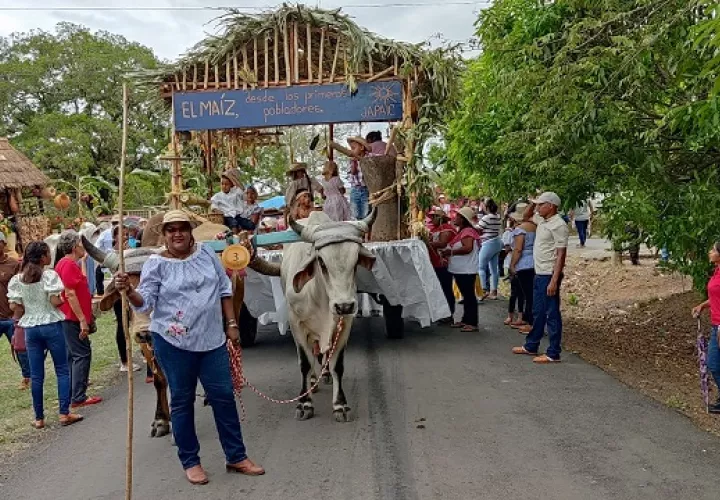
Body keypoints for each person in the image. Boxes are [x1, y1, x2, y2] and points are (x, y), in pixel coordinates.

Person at [115, 210, 264, 485]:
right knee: (182, 401)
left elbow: (223, 289)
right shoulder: (155, 264)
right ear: (164, 234)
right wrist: (128, 290)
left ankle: (236, 456)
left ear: (191, 230)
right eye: (171, 229)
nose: (177, 233)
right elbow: (145, 303)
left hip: (212, 339)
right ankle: (191, 461)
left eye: (183, 228)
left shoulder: (207, 254)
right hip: (173, 342)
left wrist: (231, 323)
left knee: (223, 396)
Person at [8, 241, 84, 429]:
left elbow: (14, 307)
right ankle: (64, 413)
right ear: (42, 257)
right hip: (51, 325)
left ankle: (39, 417)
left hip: (31, 328)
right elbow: (55, 301)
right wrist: (62, 297)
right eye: (48, 254)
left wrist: (29, 306)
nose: (50, 256)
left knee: (36, 374)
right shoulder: (49, 275)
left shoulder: (18, 280)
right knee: (62, 370)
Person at [512, 192, 568, 363]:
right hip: (539, 271)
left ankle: (553, 352)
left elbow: (560, 255)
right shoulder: (542, 220)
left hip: (549, 274)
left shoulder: (558, 225)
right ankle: (532, 344)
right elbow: (525, 216)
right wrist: (533, 200)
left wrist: (554, 280)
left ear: (550, 206)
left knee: (551, 313)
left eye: (540, 204)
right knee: (538, 311)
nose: (537, 208)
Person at [55, 230, 103, 408]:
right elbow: (70, 293)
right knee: (82, 354)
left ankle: (73, 392)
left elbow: (79, 281)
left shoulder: (67, 264)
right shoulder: (67, 265)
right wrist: (83, 319)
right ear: (75, 247)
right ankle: (78, 396)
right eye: (82, 244)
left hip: (69, 317)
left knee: (73, 355)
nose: (84, 247)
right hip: (73, 318)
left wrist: (82, 263)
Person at [441, 207, 481, 332]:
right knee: (466, 295)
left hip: (466, 269)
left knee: (469, 296)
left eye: (458, 216)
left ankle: (472, 322)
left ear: (463, 219)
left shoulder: (468, 231)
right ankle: (466, 319)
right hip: (461, 269)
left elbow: (467, 248)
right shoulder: (463, 231)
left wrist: (450, 252)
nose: (455, 218)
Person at [692, 241, 720, 413]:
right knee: (714, 364)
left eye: (714, 249)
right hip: (715, 325)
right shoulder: (717, 271)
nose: (710, 252)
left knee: (714, 364)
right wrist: (702, 305)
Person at [0, 232, 30, 388]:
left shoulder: (13, 264)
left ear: (4, 244)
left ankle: (27, 377)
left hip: (11, 316)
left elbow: (21, 287)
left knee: (20, 348)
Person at [110, 226, 141, 373]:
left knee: (139, 322)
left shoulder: (133, 249)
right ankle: (124, 361)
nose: (126, 238)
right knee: (122, 325)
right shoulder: (113, 254)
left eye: (127, 235)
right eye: (122, 235)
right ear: (115, 237)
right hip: (120, 291)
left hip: (136, 291)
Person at [508, 203, 537, 331]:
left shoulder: (520, 229)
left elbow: (518, 249)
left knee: (527, 294)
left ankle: (530, 322)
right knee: (531, 293)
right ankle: (527, 318)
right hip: (536, 262)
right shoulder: (536, 227)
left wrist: (512, 265)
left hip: (524, 263)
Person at [425, 209, 457, 324]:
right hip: (435, 263)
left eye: (434, 217)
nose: (431, 219)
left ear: (439, 218)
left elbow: (443, 243)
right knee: (439, 289)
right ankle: (442, 313)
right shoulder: (434, 229)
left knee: (445, 288)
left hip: (444, 262)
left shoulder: (447, 228)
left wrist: (426, 243)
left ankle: (449, 314)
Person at [477, 199, 503, 300]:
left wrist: (471, 223)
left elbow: (478, 228)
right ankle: (494, 292)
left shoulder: (487, 217)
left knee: (481, 267)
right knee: (494, 269)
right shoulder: (497, 217)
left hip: (488, 243)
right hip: (497, 242)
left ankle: (483, 291)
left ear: (487, 207)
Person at [211, 169, 249, 233]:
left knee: (245, 223)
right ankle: (235, 237)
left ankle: (241, 235)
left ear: (231, 185)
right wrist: (218, 211)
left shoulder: (235, 194)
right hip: (226, 216)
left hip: (236, 215)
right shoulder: (217, 196)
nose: (224, 186)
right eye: (222, 184)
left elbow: (242, 190)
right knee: (234, 223)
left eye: (226, 184)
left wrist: (234, 179)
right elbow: (213, 205)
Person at [502, 218, 523, 326]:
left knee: (520, 293)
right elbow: (507, 248)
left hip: (520, 264)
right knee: (515, 292)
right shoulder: (509, 233)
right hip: (511, 263)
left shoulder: (523, 232)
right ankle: (511, 315)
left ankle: (519, 316)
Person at [346, 137, 370, 220]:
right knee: (355, 213)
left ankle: (366, 231)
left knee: (365, 212)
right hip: (355, 189)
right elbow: (352, 172)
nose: (351, 151)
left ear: (362, 148)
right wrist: (354, 162)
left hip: (366, 189)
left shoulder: (369, 158)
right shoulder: (352, 161)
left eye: (353, 148)